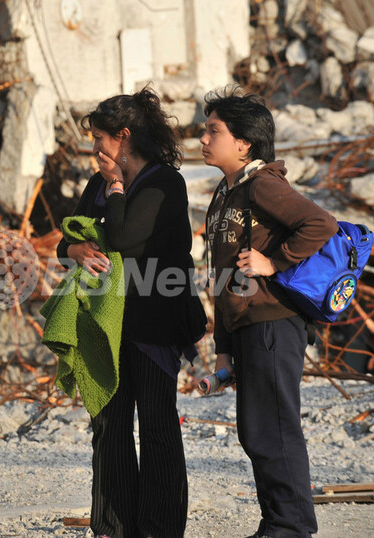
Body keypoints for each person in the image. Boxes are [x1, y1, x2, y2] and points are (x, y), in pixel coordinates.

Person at [55, 87, 206, 538]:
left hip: (153, 325)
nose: (95, 149)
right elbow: (70, 238)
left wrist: (117, 186)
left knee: (158, 429)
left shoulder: (164, 184)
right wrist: (75, 248)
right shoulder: (97, 183)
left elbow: (121, 239)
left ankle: (159, 529)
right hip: (108, 326)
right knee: (110, 427)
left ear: (123, 136)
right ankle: (114, 527)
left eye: (100, 138)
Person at [201, 87, 338, 538]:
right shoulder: (226, 193)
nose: (203, 139)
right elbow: (221, 277)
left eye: (213, 131)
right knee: (256, 430)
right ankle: (278, 523)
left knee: (274, 427)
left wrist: (274, 262)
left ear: (244, 143)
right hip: (246, 326)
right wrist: (223, 350)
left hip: (274, 322)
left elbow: (320, 224)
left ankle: (291, 526)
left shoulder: (263, 183)